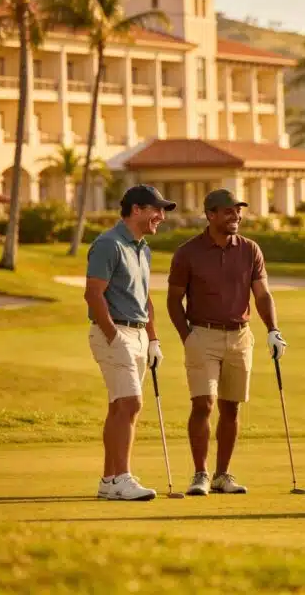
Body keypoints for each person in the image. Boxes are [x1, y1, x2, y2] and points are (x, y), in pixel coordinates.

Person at [166, 188, 288, 496]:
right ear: (210, 215)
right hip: (201, 335)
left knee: (231, 407)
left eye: (238, 211)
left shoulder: (249, 250)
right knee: (203, 403)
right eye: (229, 211)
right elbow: (173, 300)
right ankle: (200, 474)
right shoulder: (188, 252)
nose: (236, 216)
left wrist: (273, 329)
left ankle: (222, 475)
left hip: (240, 336)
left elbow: (262, 294)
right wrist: (187, 337)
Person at [85, 184, 176, 501]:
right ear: (136, 210)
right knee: (131, 404)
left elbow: (145, 297)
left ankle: (109, 481)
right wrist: (113, 336)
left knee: (118, 407)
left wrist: (153, 338)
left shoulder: (143, 248)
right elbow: (93, 294)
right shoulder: (108, 244)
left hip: (138, 334)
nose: (161, 217)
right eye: (156, 210)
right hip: (115, 333)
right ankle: (122, 478)